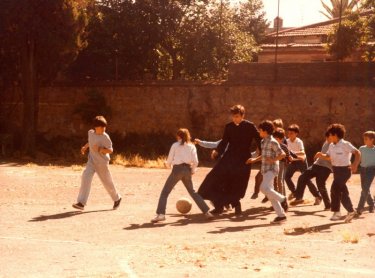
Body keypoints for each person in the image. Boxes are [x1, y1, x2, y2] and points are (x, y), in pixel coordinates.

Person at [198, 105, 261, 216]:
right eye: (233, 116)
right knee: (212, 179)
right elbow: (224, 142)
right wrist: (217, 151)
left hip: (243, 160)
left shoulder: (250, 126)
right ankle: (219, 206)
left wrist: (262, 154)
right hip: (229, 158)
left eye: (237, 116)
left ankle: (237, 206)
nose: (234, 119)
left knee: (236, 184)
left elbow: (260, 140)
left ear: (242, 115)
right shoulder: (229, 127)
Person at [151, 128, 213, 223]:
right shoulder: (192, 146)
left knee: (165, 192)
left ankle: (161, 214)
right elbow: (196, 161)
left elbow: (169, 160)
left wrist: (167, 164)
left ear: (178, 136)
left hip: (177, 170)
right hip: (187, 169)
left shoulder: (175, 145)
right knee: (193, 192)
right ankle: (207, 212)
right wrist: (192, 171)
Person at [72, 116, 122, 210]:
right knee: (85, 177)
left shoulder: (105, 137)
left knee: (107, 183)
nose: (104, 129)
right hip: (91, 162)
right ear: (95, 127)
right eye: (101, 127)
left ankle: (117, 198)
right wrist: (85, 147)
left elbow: (110, 150)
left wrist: (99, 149)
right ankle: (81, 203)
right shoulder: (90, 133)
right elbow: (90, 141)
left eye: (104, 127)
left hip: (102, 164)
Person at [316, 123, 361, 223]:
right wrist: (320, 155)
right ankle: (351, 211)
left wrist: (355, 164)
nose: (329, 137)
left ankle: (337, 212)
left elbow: (357, 152)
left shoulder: (345, 144)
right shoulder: (331, 146)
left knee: (334, 188)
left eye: (330, 135)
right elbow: (328, 157)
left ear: (335, 135)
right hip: (336, 171)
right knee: (342, 192)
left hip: (345, 170)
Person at [247, 120, 288, 224]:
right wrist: (254, 160)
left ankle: (283, 199)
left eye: (260, 130)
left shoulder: (273, 141)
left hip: (272, 169)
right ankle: (281, 215)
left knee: (263, 188)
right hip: (265, 169)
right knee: (269, 193)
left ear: (265, 131)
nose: (259, 132)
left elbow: (282, 154)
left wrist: (273, 160)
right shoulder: (263, 141)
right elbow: (264, 156)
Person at [290, 132, 332, 209]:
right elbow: (322, 154)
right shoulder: (326, 142)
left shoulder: (335, 146)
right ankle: (299, 197)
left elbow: (332, 158)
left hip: (326, 168)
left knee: (320, 185)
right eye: (326, 137)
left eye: (328, 137)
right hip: (317, 165)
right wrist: (318, 156)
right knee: (302, 177)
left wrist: (321, 155)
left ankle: (328, 205)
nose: (326, 139)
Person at [284, 124, 321, 202]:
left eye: (291, 133)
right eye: (289, 133)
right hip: (293, 162)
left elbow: (302, 152)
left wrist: (292, 153)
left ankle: (318, 196)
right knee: (287, 177)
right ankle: (295, 193)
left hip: (301, 161)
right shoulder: (286, 141)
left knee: (306, 179)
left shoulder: (299, 141)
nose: (289, 134)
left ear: (296, 134)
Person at [356, 130, 375, 215]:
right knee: (365, 189)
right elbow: (358, 159)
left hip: (371, 170)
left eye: (366, 139)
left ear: (372, 139)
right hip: (362, 170)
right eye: (364, 139)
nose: (364, 140)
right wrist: (355, 166)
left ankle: (360, 208)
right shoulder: (361, 148)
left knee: (365, 189)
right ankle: (371, 204)